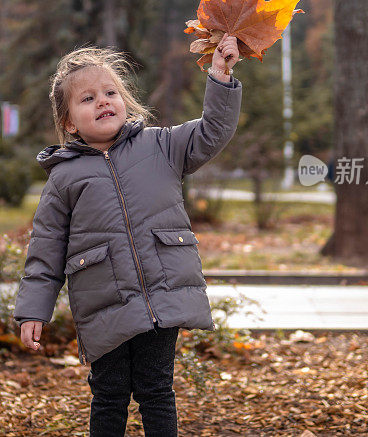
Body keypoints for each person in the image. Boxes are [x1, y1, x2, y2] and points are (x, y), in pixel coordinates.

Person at [13, 34, 242, 436]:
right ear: (69, 122)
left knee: (157, 390)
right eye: (87, 99)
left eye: (110, 92)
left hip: (163, 296)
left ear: (125, 100)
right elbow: (46, 247)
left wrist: (220, 76)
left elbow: (212, 132)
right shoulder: (64, 177)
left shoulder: (162, 146)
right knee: (110, 394)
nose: (103, 101)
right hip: (105, 304)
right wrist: (34, 309)